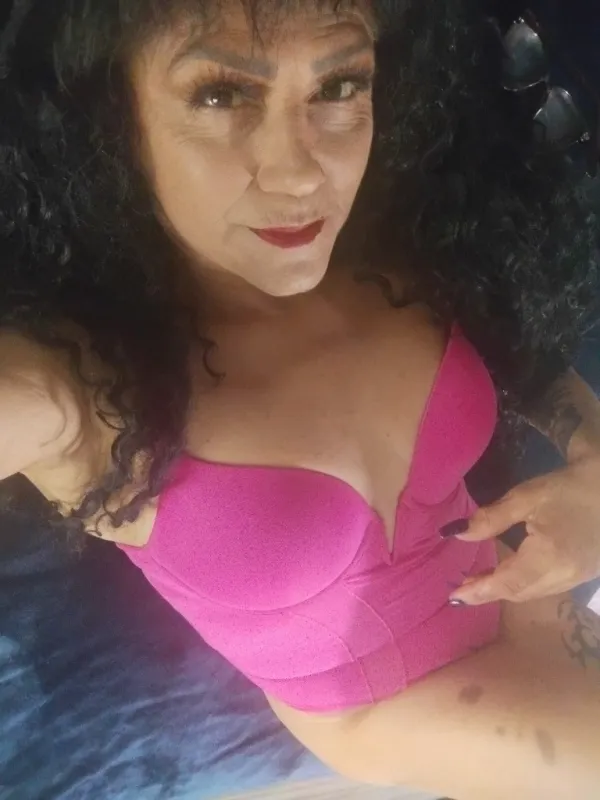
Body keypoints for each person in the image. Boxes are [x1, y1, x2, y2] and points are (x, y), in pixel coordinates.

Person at [1, 0, 600, 797]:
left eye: (339, 85)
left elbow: (524, 359)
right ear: (110, 118)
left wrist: (593, 458)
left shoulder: (397, 251)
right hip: (391, 706)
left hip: (520, 589)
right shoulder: (79, 391)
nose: (301, 173)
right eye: (221, 95)